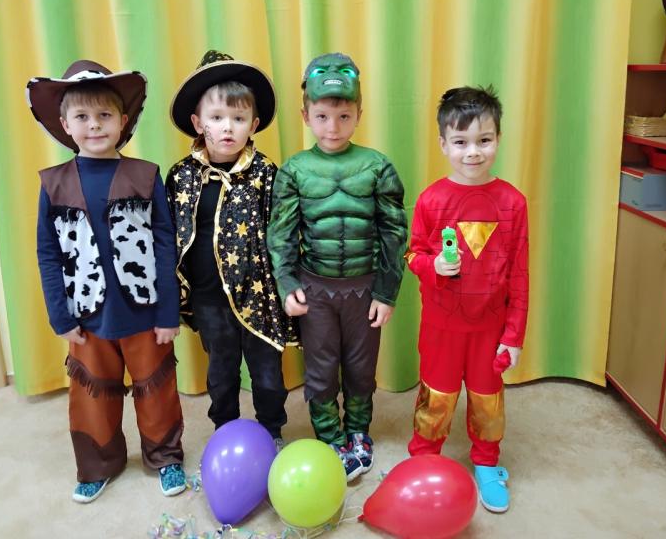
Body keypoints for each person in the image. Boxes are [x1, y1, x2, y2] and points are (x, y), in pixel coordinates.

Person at [31, 60, 185, 503]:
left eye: (104, 115)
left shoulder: (146, 176)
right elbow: (48, 253)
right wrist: (60, 317)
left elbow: (164, 245)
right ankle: (98, 464)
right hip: (87, 315)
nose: (94, 125)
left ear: (123, 121)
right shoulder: (54, 184)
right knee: (91, 394)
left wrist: (168, 312)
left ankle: (165, 456)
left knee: (156, 389)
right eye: (82, 116)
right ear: (65, 125)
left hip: (144, 312)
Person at [267, 52, 408, 481]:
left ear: (359, 114)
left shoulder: (378, 166)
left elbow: (394, 233)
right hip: (316, 291)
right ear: (305, 115)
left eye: (344, 116)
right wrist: (286, 281)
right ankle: (330, 436)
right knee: (322, 369)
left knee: (361, 368)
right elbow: (281, 234)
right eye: (323, 116)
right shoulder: (294, 170)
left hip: (365, 289)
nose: (333, 127)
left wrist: (387, 293)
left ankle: (359, 431)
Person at [405, 85, 529, 512]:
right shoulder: (430, 200)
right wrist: (433, 266)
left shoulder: (514, 203)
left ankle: (487, 461)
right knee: (435, 396)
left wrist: (513, 335)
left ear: (498, 139)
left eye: (484, 140)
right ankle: (424, 456)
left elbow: (520, 275)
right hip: (441, 327)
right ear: (443, 144)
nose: (473, 152)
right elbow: (413, 255)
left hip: (489, 329)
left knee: (487, 398)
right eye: (460, 142)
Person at [165, 50, 297, 450]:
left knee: (267, 373)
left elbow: (282, 231)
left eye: (238, 119)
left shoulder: (265, 172)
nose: (227, 128)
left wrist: (288, 285)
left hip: (259, 295)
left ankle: (271, 430)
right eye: (217, 117)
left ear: (253, 125)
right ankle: (224, 430)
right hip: (208, 298)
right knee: (221, 373)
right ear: (198, 122)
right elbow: (170, 235)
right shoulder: (181, 176)